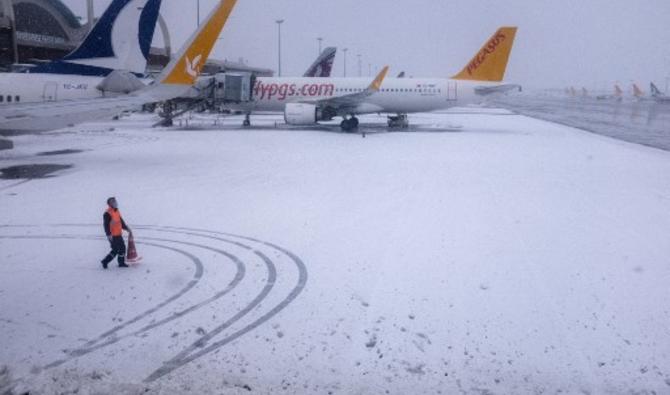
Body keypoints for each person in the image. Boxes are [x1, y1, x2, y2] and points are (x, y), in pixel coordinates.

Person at [101, 197, 132, 269]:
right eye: (113, 202)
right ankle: (105, 261)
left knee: (122, 248)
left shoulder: (117, 211)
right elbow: (106, 225)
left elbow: (121, 221)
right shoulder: (107, 213)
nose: (115, 203)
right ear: (109, 204)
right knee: (115, 250)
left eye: (115, 201)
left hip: (118, 234)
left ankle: (121, 263)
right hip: (112, 236)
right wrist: (108, 234)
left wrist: (126, 228)